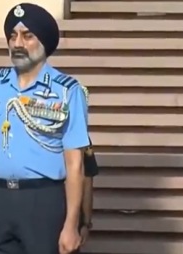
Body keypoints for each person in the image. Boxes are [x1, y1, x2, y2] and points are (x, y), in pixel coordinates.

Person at [0, 3, 89, 254]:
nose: (18, 44)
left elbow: (75, 164)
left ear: (44, 43)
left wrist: (71, 224)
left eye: (27, 36)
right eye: (12, 36)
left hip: (42, 201)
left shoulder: (67, 90)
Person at [78, 85, 99, 251]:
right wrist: (86, 222)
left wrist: (86, 222)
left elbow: (87, 180)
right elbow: (87, 181)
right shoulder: (82, 140)